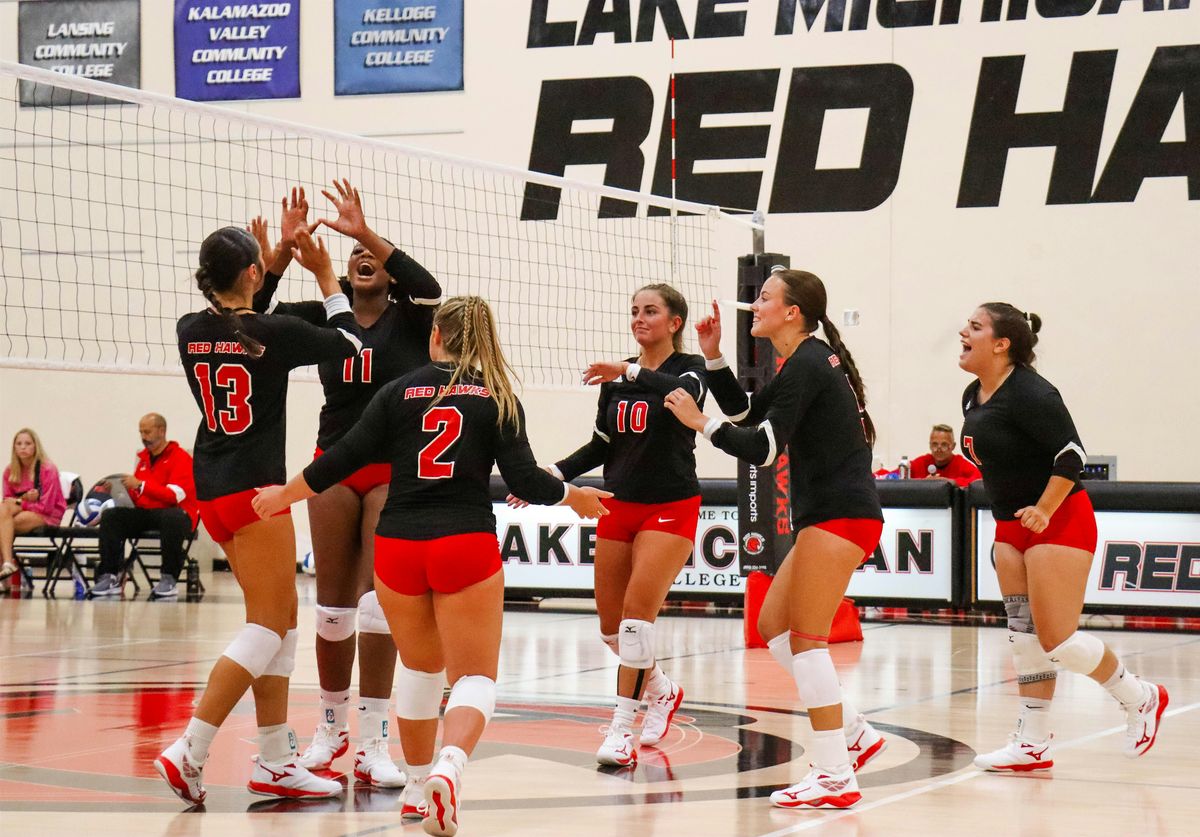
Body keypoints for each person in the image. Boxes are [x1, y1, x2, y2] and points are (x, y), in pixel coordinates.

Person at [252, 295, 611, 837]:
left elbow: (339, 458)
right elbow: (526, 483)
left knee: (419, 672)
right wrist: (575, 496)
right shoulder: (495, 396)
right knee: (475, 677)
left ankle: (418, 794)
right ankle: (450, 766)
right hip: (462, 543)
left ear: (436, 335)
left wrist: (284, 497)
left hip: (396, 546)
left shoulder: (396, 392)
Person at [153, 222, 364, 805]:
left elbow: (241, 329)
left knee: (282, 622)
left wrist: (268, 270)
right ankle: (190, 748)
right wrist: (324, 276)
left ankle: (275, 760)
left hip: (212, 490)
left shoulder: (190, 329)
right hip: (256, 494)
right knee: (268, 626)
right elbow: (351, 345)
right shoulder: (273, 332)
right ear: (249, 274)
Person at [664, 269, 884, 810]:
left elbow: (761, 449)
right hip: (830, 514)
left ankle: (835, 774)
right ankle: (855, 734)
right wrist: (713, 357)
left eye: (764, 297)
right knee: (773, 627)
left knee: (806, 641)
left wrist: (700, 423)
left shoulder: (808, 361)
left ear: (792, 312)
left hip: (841, 514)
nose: (753, 303)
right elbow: (751, 416)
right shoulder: (802, 360)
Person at [250, 181, 442, 787]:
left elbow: (432, 288)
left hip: (392, 470)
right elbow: (257, 323)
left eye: (373, 261)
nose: (363, 265)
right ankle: (331, 728)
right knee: (332, 611)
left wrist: (362, 234)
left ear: (386, 273)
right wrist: (279, 256)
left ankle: (373, 740)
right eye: (354, 260)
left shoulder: (411, 320)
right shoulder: (317, 320)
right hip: (333, 465)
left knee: (375, 608)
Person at [958, 303, 1167, 772]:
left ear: (1001, 343)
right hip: (1011, 527)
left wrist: (1044, 508)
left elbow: (1072, 455)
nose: (962, 332)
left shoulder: (1032, 392)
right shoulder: (974, 395)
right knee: (1023, 639)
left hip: (1059, 519)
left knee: (1059, 641)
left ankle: (1140, 697)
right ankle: (1033, 743)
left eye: (974, 327)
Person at [544, 284, 706, 767]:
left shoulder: (689, 368)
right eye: (634, 311)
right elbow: (602, 446)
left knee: (637, 623)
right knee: (612, 631)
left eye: (650, 311)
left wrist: (630, 370)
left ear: (674, 322)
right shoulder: (618, 379)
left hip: (671, 505)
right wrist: (553, 475)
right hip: (618, 504)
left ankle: (620, 731)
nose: (639, 319)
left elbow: (688, 397)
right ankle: (661, 689)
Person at [91, 413, 200, 599]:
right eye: (141, 432)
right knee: (112, 516)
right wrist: (117, 491)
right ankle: (110, 576)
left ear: (162, 431)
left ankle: (168, 579)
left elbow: (174, 496)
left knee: (171, 517)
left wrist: (141, 485)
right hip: (149, 513)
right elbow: (139, 496)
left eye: (147, 431)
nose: (143, 437)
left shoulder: (180, 458)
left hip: (177, 514)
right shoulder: (143, 460)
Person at [1, 428, 67, 584]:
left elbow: (47, 507)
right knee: (2, 513)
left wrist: (20, 502)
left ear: (35, 446)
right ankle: (8, 565)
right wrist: (24, 499)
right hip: (21, 510)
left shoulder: (48, 469)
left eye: (27, 443)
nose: (23, 447)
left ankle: (7, 566)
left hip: (48, 515)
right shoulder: (10, 471)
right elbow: (6, 501)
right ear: (14, 448)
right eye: (19, 444)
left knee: (4, 526)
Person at [909, 424, 981, 487]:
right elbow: (898, 476)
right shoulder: (922, 462)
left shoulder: (960, 464)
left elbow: (980, 479)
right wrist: (924, 482)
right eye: (935, 444)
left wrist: (951, 482)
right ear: (930, 445)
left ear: (953, 446)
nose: (938, 449)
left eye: (944, 445)